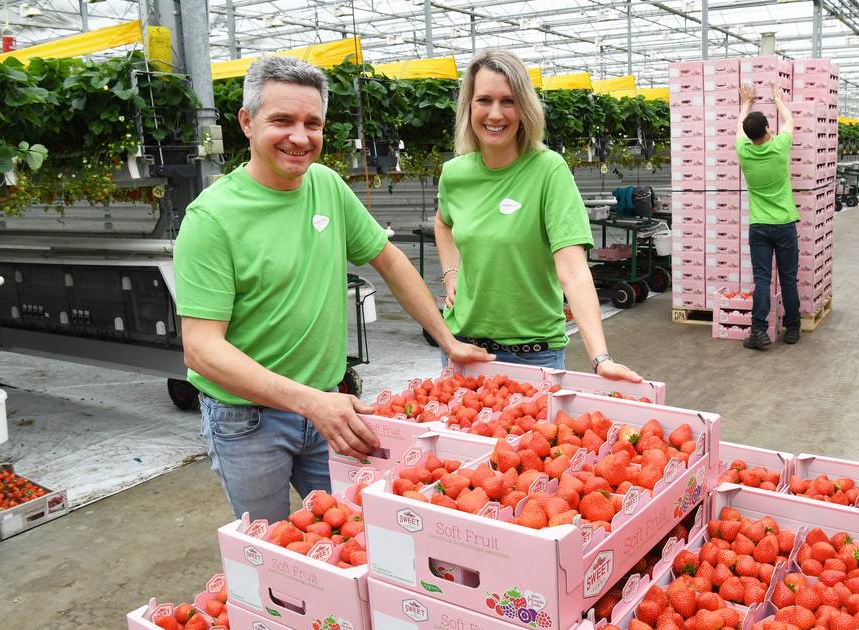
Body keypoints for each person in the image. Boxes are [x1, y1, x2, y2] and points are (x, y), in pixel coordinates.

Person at [174, 56, 491, 521]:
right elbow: (201, 348)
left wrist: (447, 340)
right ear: (246, 122)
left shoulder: (326, 185)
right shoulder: (211, 219)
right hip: (248, 420)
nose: (299, 137)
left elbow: (390, 260)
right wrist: (310, 402)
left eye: (312, 123)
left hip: (330, 405)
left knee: (354, 530)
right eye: (282, 120)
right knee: (273, 543)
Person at [434, 49, 641, 381]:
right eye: (484, 100)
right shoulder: (455, 174)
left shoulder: (548, 171)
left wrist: (600, 358)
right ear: (468, 107)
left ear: (525, 108)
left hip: (532, 356)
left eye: (509, 101)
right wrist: (450, 273)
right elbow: (443, 222)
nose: (496, 114)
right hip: (463, 349)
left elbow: (572, 270)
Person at [735, 83, 801, 350]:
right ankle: (793, 328)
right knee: (788, 278)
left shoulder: (744, 152)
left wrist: (745, 104)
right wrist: (777, 100)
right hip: (784, 223)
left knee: (762, 279)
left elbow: (738, 127)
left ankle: (759, 331)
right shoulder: (780, 147)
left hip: (759, 226)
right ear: (766, 130)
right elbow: (790, 121)